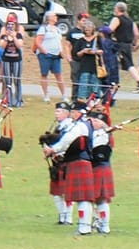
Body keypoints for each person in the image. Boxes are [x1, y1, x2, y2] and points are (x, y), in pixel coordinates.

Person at [43, 99, 95, 233]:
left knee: (82, 197)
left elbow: (67, 140)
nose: (72, 115)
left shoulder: (80, 126)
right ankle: (85, 226)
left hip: (79, 161)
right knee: (84, 198)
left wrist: (52, 149)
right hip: (81, 162)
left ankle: (84, 227)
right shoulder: (82, 124)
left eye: (73, 112)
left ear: (79, 112)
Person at [85, 99, 116, 234]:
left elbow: (95, 147)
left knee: (101, 199)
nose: (91, 123)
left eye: (94, 121)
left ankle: (104, 225)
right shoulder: (95, 133)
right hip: (94, 168)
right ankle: (98, 221)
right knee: (95, 198)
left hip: (100, 167)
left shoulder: (103, 135)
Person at [33, 11, 66, 102]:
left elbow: (59, 42)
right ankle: (46, 94)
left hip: (56, 55)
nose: (56, 17)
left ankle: (63, 95)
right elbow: (38, 42)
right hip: (45, 55)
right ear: (49, 17)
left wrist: (61, 51)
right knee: (44, 74)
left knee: (58, 74)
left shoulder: (57, 29)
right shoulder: (43, 29)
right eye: (54, 16)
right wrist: (44, 51)